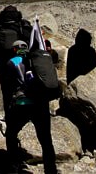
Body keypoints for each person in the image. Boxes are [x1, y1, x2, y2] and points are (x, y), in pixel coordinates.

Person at [4, 40, 57, 174]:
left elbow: (9, 86)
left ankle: (13, 165)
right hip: (41, 104)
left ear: (15, 49)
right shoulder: (38, 61)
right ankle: (51, 170)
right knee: (46, 140)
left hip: (22, 104)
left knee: (11, 133)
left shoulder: (12, 62)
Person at [0, 5, 32, 111]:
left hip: (2, 64)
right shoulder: (21, 26)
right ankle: (22, 113)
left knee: (6, 91)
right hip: (20, 63)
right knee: (21, 87)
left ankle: (8, 116)